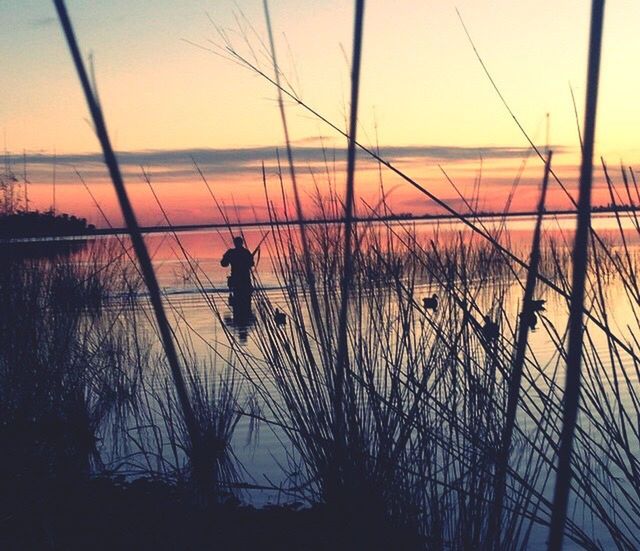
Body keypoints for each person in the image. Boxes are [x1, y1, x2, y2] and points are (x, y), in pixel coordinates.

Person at [221, 236, 254, 314]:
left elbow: (223, 263)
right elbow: (251, 264)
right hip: (245, 280)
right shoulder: (246, 252)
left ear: (235, 243)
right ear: (242, 243)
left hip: (236, 280)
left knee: (237, 299)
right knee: (246, 300)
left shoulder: (231, 252)